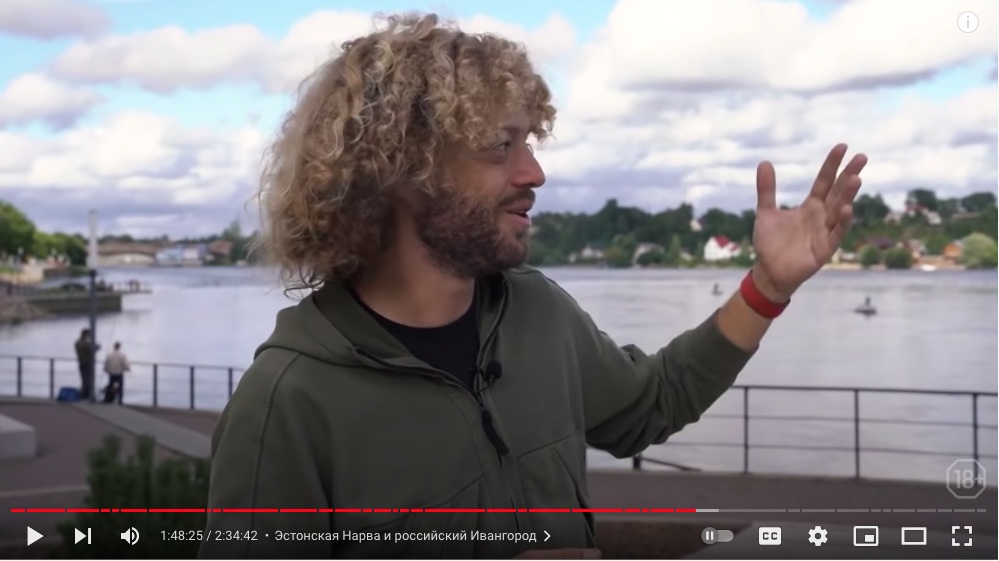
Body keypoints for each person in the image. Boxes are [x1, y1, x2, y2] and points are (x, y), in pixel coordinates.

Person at [200, 13, 867, 559]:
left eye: (530, 142)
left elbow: (649, 405)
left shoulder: (537, 312)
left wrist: (767, 286)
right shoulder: (287, 401)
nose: (534, 172)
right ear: (402, 169)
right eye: (501, 146)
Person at [73, 329, 99, 400]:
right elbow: (91, 349)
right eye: (88, 334)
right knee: (88, 381)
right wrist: (97, 346)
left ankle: (84, 395)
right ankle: (85, 396)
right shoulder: (85, 344)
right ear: (85, 334)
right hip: (87, 363)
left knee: (84, 380)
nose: (89, 336)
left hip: (81, 363)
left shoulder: (77, 343)